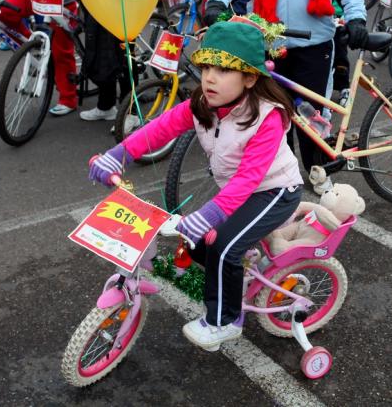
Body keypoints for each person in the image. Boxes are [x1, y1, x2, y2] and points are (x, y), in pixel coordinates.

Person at [89, 21, 303, 351]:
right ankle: (237, 275)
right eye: (205, 66)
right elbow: (160, 128)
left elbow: (249, 179)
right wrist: (118, 155)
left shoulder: (267, 118)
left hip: (275, 191)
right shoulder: (203, 103)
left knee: (223, 247)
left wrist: (209, 215)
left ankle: (226, 320)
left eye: (223, 69)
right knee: (199, 245)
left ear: (249, 77)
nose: (210, 77)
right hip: (238, 191)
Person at [206, 0, 367, 194]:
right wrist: (215, 0)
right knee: (270, 119)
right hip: (269, 44)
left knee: (310, 120)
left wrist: (357, 18)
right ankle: (282, 178)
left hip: (315, 43)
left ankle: (318, 174)